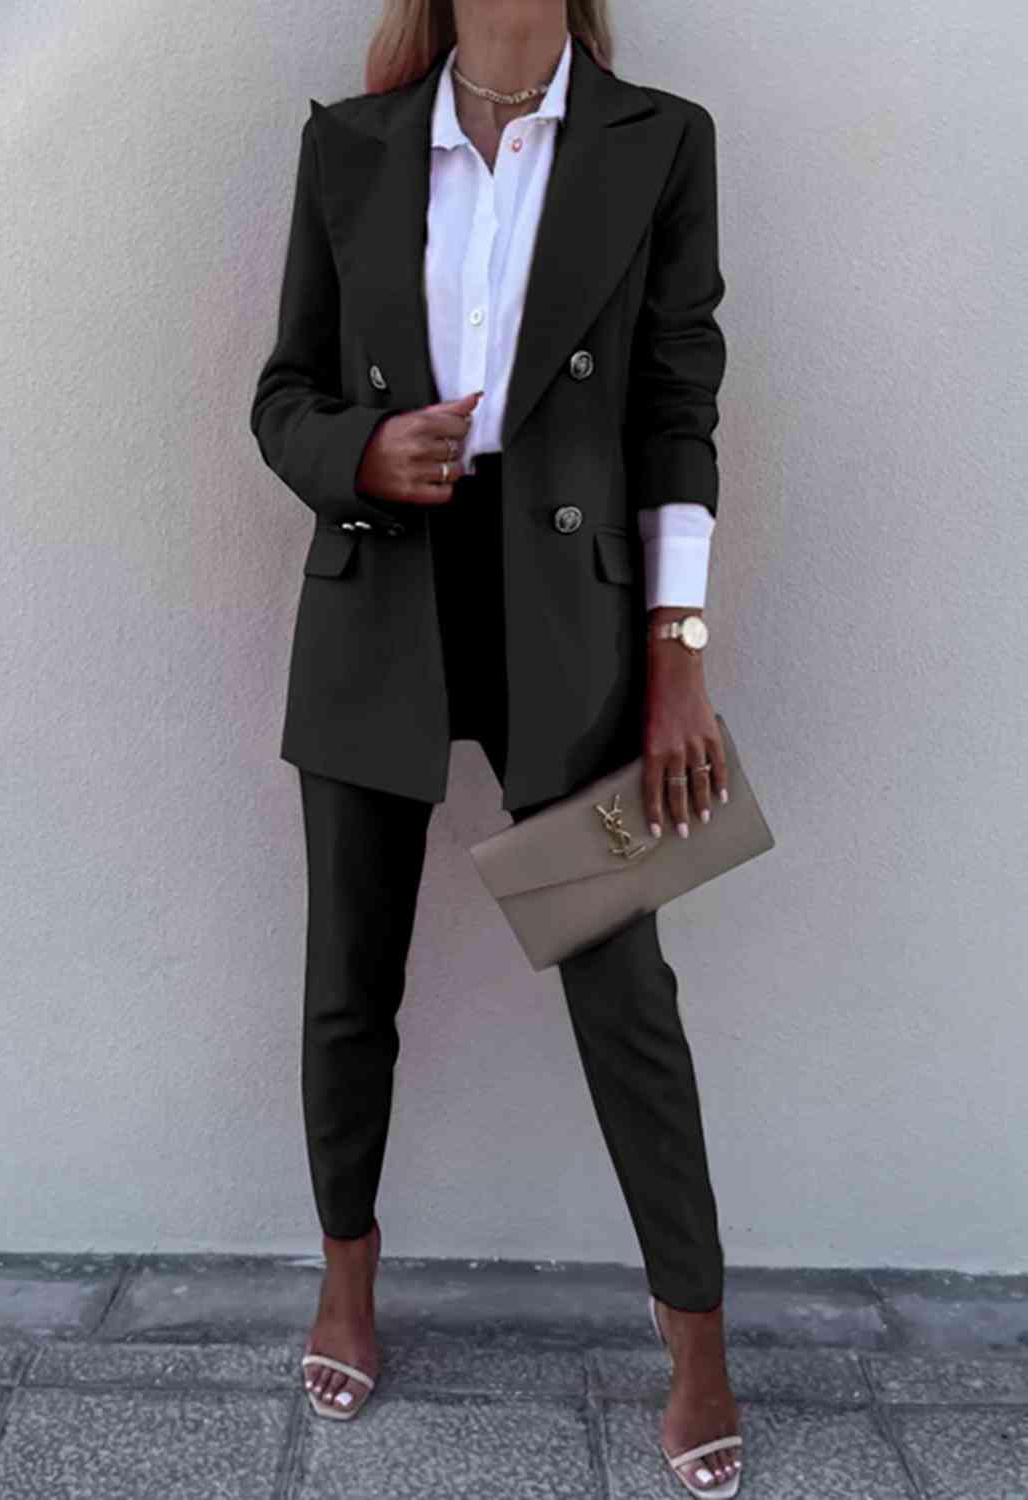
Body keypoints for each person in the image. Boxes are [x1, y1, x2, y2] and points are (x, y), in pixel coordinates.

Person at [249, 2, 742, 1492]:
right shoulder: (350, 144)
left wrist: (678, 655)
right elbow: (284, 392)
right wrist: (357, 453)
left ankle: (696, 1333)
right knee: (351, 981)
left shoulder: (658, 140)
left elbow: (677, 405)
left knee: (622, 990)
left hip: (573, 628)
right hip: (376, 601)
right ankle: (347, 1276)